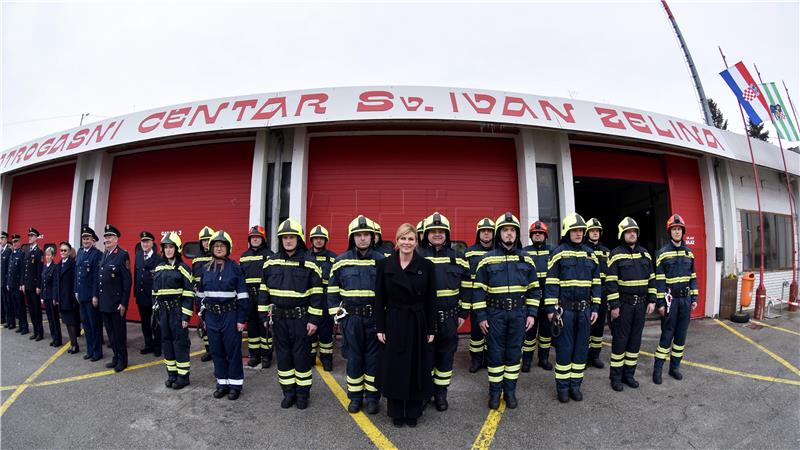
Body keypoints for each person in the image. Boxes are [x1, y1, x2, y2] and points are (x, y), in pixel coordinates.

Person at [471, 212, 541, 410]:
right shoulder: (487, 260)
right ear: (498, 234)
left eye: (512, 230)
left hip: (519, 314)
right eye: (505, 230)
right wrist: (482, 317)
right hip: (496, 315)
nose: (509, 234)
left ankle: (510, 392)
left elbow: (535, 290)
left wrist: (532, 314)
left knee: (513, 354)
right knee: (495, 354)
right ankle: (494, 393)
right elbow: (478, 292)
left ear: (517, 234)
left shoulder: (526, 260)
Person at [259, 219, 324, 409]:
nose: (288, 241)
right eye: (284, 238)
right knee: (284, 357)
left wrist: (313, 320)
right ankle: (288, 393)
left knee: (301, 358)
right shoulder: (270, 263)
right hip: (278, 319)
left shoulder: (310, 263)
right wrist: (264, 317)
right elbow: (264, 292)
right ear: (280, 240)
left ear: (299, 239)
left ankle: (303, 395)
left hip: (300, 319)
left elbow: (317, 295)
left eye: (292, 237)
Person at [375, 223, 435, 428]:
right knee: (395, 367)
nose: (407, 243)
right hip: (394, 321)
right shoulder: (384, 265)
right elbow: (379, 299)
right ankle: (395, 411)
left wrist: (431, 329)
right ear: (397, 241)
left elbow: (431, 300)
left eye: (411, 239)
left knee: (416, 366)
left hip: (417, 322)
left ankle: (413, 411)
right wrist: (380, 327)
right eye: (403, 238)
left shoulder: (426, 266)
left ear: (416, 242)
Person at [327, 215, 386, 414]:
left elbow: (389, 290)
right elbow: (332, 288)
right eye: (358, 235)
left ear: (372, 237)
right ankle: (354, 397)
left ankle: (372, 398)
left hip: (374, 318)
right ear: (352, 237)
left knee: (374, 359)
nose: (362, 238)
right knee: (354, 358)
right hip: (351, 319)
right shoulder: (341, 261)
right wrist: (335, 312)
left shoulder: (382, 261)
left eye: (366, 235)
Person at [544, 213, 601, 402]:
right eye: (574, 230)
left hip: (585, 310)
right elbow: (551, 284)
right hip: (565, 312)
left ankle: (575, 386)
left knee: (581, 349)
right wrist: (551, 310)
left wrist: (595, 308)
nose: (578, 234)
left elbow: (596, 283)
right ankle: (562, 388)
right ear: (567, 232)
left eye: (580, 231)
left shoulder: (590, 254)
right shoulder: (558, 253)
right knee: (564, 349)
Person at [418, 212, 470, 411]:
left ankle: (441, 395)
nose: (438, 234)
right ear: (426, 234)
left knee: (445, 358)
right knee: (425, 358)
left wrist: (462, 314)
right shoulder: (417, 256)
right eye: (433, 231)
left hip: (449, 319)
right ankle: (424, 394)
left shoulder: (457, 257)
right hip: (424, 320)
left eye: (441, 231)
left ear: (447, 234)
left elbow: (467, 286)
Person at [606, 217, 656, 391]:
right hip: (624, 306)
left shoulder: (645, 254)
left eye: (634, 231)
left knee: (635, 342)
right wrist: (614, 305)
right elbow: (611, 282)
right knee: (620, 342)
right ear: (622, 234)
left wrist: (652, 300)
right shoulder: (615, 254)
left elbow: (652, 279)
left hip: (641, 305)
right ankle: (616, 378)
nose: (632, 234)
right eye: (628, 231)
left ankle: (629, 375)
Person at [197, 230, 248, 400]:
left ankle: (235, 385)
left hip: (230, 315)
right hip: (211, 317)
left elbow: (242, 295)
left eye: (222, 245)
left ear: (228, 248)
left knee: (232, 351)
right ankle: (222, 383)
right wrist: (202, 317)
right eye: (216, 245)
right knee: (217, 351)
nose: (218, 248)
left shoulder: (235, 268)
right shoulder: (205, 269)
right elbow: (200, 295)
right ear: (211, 248)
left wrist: (241, 319)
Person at [653, 214, 699, 384]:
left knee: (680, 337)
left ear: (683, 231)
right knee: (666, 337)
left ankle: (674, 368)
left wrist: (694, 296)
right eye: (674, 229)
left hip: (685, 301)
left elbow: (693, 277)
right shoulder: (663, 254)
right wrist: (660, 303)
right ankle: (657, 370)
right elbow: (659, 281)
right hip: (670, 302)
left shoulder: (689, 253)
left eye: (679, 229)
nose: (677, 232)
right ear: (670, 232)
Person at [152, 232, 195, 389]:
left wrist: (185, 316)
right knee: (167, 343)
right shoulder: (159, 267)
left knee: (180, 343)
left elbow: (189, 294)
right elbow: (154, 293)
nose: (168, 250)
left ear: (177, 249)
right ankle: (172, 374)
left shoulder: (183, 268)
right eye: (165, 247)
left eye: (171, 247)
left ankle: (183, 376)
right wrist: (155, 311)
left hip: (177, 311)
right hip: (163, 312)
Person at [97, 224, 132, 372]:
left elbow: (127, 281)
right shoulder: (104, 254)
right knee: (111, 334)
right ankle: (116, 357)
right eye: (106, 237)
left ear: (116, 239)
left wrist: (123, 303)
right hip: (105, 303)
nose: (107, 239)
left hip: (116, 303)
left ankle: (122, 360)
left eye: (110, 236)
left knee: (119, 334)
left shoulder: (122, 255)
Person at [522, 220, 554, 372]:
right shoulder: (524, 251)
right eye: (535, 233)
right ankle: (527, 361)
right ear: (531, 236)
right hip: (531, 300)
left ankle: (544, 359)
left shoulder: (552, 251)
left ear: (545, 235)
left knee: (546, 334)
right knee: (529, 333)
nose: (537, 235)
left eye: (540, 233)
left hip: (548, 299)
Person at [240, 225, 273, 370]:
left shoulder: (269, 255)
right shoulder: (244, 256)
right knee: (252, 327)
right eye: (252, 237)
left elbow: (272, 277)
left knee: (264, 326)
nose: (255, 239)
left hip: (263, 296)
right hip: (249, 296)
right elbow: (241, 277)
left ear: (263, 239)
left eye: (257, 237)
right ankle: (254, 356)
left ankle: (266, 356)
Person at [464, 218, 494, 373]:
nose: (486, 233)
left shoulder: (498, 251)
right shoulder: (469, 252)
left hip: (494, 300)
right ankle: (476, 360)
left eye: (489, 230)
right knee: (476, 332)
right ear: (478, 233)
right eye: (483, 231)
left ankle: (489, 359)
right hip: (476, 299)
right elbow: (464, 278)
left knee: (491, 332)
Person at [308, 224, 337, 371]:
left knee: (326, 332)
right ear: (311, 240)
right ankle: (310, 358)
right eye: (316, 238)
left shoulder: (333, 258)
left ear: (325, 240)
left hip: (326, 300)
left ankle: (326, 360)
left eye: (321, 239)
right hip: (310, 299)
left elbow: (338, 280)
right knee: (310, 331)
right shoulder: (305, 256)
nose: (318, 241)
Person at [585, 218, 611, 369]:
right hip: (587, 294)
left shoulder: (607, 252)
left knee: (599, 328)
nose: (595, 233)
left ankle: (595, 356)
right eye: (592, 231)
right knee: (586, 328)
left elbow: (611, 275)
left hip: (602, 294)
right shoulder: (583, 250)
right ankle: (584, 357)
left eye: (597, 231)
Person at [75, 225, 103, 361]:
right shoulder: (80, 252)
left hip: (91, 296)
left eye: (88, 238)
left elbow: (96, 277)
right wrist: (75, 291)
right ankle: (90, 350)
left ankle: (97, 352)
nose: (85, 241)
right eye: (84, 238)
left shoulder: (97, 255)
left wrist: (95, 295)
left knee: (94, 324)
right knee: (85, 324)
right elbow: (77, 274)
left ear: (93, 240)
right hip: (81, 295)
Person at [135, 231, 163, 356]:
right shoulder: (139, 256)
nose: (144, 244)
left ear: (152, 243)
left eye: (147, 241)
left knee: (156, 323)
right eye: (143, 241)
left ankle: (157, 346)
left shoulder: (158, 259)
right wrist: (135, 293)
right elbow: (136, 275)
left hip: (154, 296)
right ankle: (148, 344)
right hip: (141, 296)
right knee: (145, 323)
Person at [192, 226, 215, 362]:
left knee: (213, 325)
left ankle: (216, 350)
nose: (206, 242)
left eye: (208, 240)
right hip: (200, 297)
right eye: (203, 240)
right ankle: (209, 350)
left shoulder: (216, 256)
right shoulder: (196, 258)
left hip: (212, 296)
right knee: (204, 324)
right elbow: (194, 277)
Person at [57, 242, 80, 354]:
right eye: (61, 250)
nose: (63, 252)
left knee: (71, 323)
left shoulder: (72, 265)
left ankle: (74, 345)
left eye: (65, 250)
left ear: (70, 252)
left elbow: (75, 282)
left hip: (69, 299)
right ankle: (73, 343)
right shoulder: (59, 264)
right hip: (62, 298)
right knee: (67, 322)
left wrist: (73, 298)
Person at [22, 228, 44, 341]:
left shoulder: (38, 252)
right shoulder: (27, 251)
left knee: (37, 310)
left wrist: (38, 286)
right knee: (31, 310)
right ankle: (35, 331)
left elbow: (39, 271)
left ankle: (40, 332)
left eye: (32, 236)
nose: (29, 237)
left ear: (36, 237)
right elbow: (25, 270)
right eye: (29, 235)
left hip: (34, 286)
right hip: (28, 285)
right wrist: (23, 284)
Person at [41, 246, 63, 347]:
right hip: (45, 296)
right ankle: (54, 338)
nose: (47, 257)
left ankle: (58, 340)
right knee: (49, 319)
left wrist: (55, 297)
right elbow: (42, 282)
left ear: (53, 256)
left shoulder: (55, 267)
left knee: (55, 319)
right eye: (46, 255)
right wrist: (42, 296)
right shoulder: (45, 266)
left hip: (51, 297)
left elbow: (55, 284)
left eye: (49, 255)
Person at [8, 234, 27, 334]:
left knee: (21, 307)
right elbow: (9, 270)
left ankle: (25, 327)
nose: (14, 244)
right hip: (11, 285)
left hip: (18, 285)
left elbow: (22, 270)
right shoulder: (12, 254)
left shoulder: (21, 254)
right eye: (13, 242)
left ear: (19, 242)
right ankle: (20, 325)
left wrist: (21, 283)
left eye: (16, 242)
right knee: (16, 306)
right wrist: (8, 283)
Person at [2, 231, 17, 330]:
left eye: (3, 238)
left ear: (6, 240)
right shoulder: (2, 251)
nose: (1, 240)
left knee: (8, 302)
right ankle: (6, 319)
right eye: (0, 238)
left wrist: (7, 282)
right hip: (2, 281)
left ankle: (10, 321)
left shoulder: (8, 251)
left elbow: (9, 268)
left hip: (6, 281)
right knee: (4, 302)